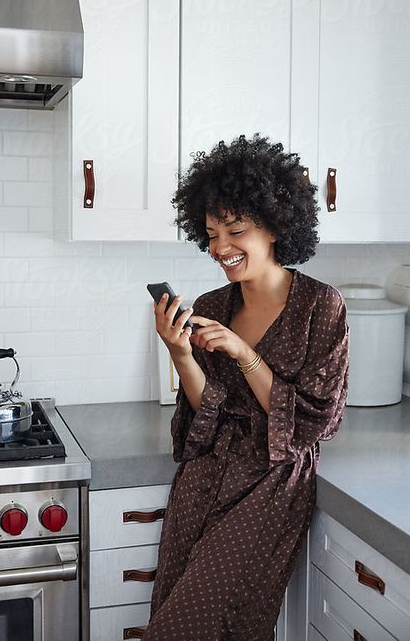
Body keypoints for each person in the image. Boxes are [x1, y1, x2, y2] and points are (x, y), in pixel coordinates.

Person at [143, 133, 349, 641]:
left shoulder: (321, 307)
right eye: (212, 234)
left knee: (192, 627)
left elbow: (313, 421)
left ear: (276, 226)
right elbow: (206, 407)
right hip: (205, 475)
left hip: (270, 484)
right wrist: (180, 353)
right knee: (172, 604)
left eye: (235, 231)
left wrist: (243, 352)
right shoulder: (213, 303)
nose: (221, 249)